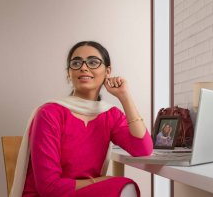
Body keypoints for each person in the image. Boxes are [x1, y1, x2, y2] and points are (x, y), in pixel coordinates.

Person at [11, 41, 153, 197]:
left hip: (85, 193)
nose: (83, 67)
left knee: (125, 187)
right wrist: (100, 181)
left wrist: (124, 96)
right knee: (124, 187)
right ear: (69, 73)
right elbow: (49, 188)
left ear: (107, 71)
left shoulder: (110, 115)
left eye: (93, 62)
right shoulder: (49, 113)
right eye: (76, 63)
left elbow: (143, 149)